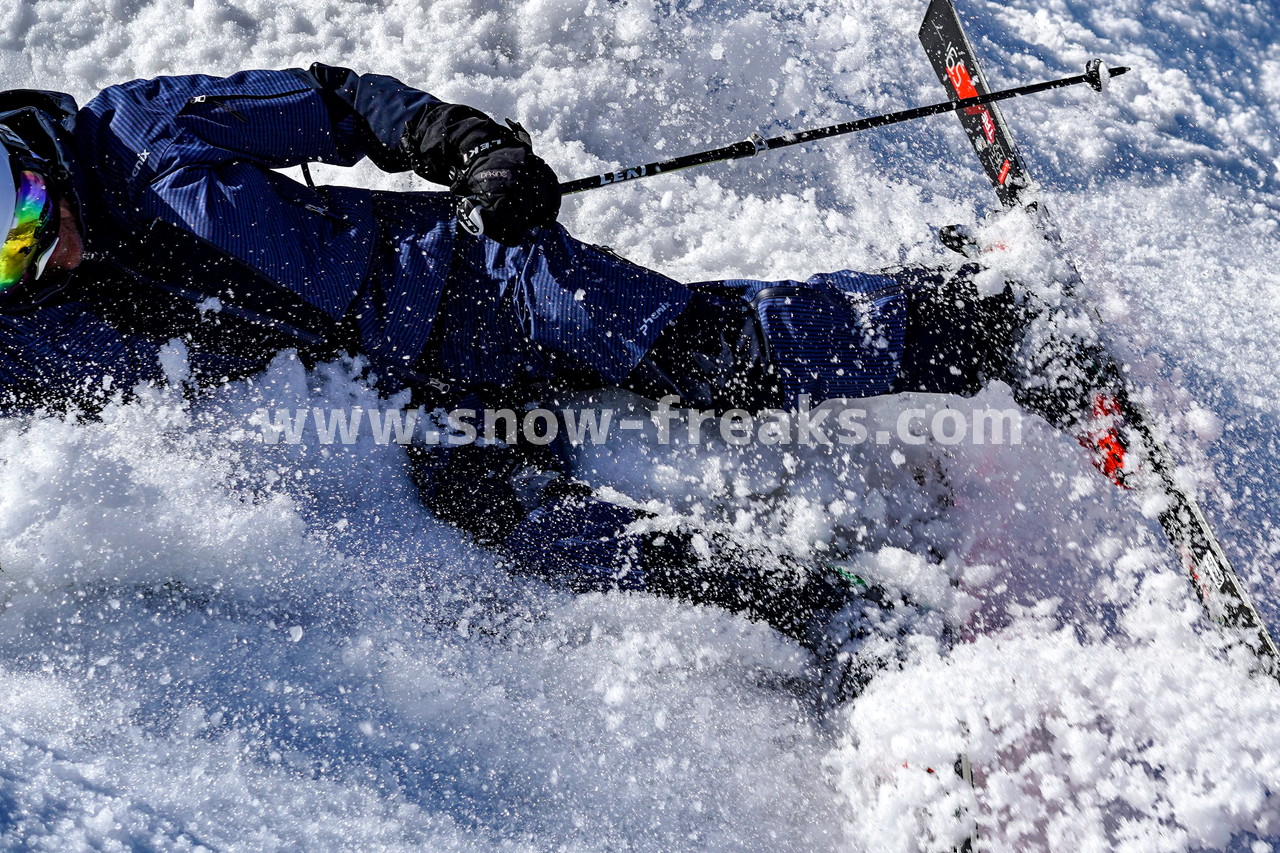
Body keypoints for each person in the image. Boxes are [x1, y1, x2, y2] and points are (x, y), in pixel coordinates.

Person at [0, 65, 1116, 698]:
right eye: (7, 257)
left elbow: (340, 107)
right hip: (414, 392)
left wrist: (480, 153)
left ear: (32, 159)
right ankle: (832, 611)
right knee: (512, 517)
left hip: (476, 271)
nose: (41, 248)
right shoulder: (29, 339)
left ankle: (986, 322)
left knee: (690, 354)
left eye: (28, 212)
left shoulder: (138, 134)